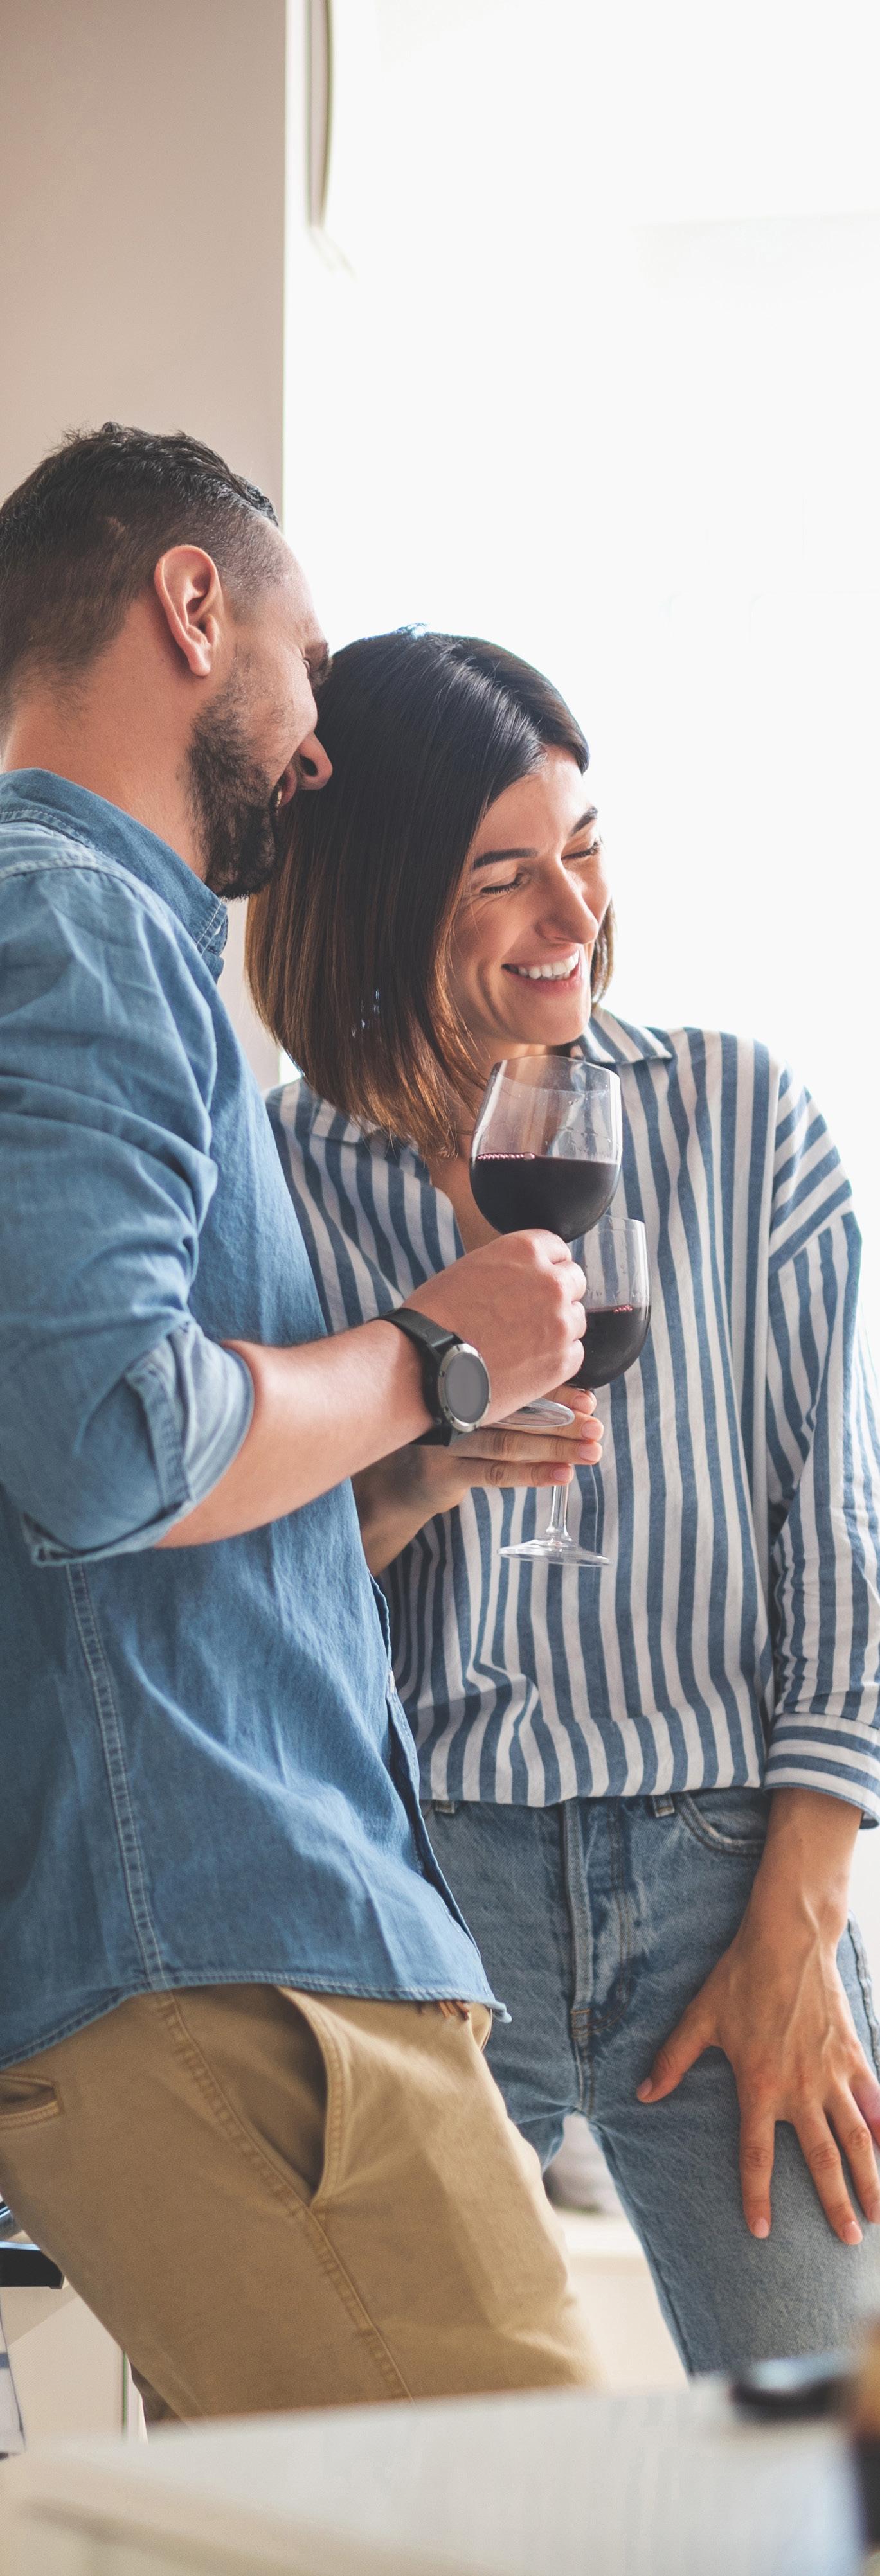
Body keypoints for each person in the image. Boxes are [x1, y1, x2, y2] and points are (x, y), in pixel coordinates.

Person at [0, 432, 597, 2422]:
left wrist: (406, 1453)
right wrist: (431, 1350)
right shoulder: (72, 927)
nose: (320, 741)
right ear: (193, 608)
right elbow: (109, 1436)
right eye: (307, 665)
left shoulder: (101, 946)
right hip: (236, 1957)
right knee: (550, 2529)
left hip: (225, 1948)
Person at [249, 625, 880, 2374]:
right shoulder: (284, 1178)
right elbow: (270, 1596)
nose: (572, 911)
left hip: (726, 1878)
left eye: (583, 848)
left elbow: (835, 1544)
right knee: (394, 2459)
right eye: (504, 874)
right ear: (382, 896)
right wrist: (419, 1466)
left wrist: (798, 1919)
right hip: (423, 1888)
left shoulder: (739, 1118)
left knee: (818, 2453)